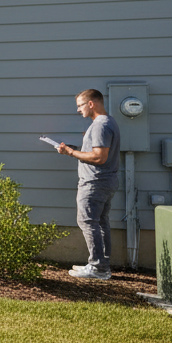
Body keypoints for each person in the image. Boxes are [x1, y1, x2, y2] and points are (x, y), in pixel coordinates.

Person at [57, 89, 120, 280]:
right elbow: (95, 152)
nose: (78, 110)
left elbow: (99, 157)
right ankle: (102, 265)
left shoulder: (100, 125)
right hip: (105, 181)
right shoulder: (107, 122)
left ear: (91, 104)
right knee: (100, 222)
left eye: (80, 105)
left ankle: (98, 267)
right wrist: (75, 149)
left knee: (87, 221)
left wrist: (71, 153)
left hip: (94, 182)